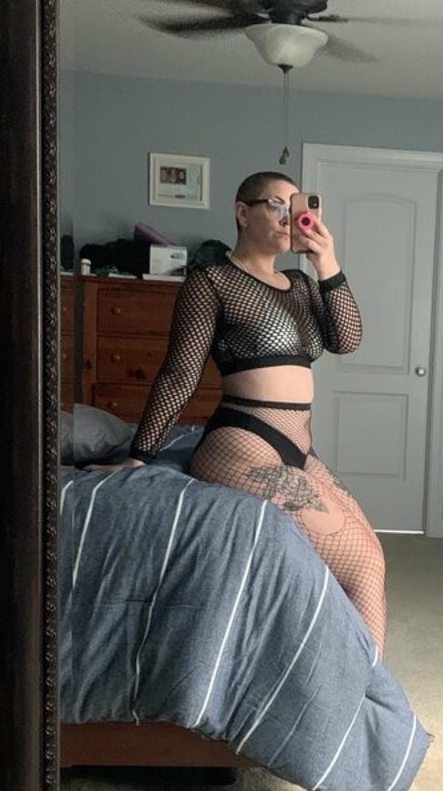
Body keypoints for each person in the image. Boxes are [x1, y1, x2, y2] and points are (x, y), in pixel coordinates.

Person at [98, 171, 387, 655]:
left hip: (299, 447)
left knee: (372, 557)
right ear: (241, 213)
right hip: (242, 441)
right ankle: (362, 691)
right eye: (276, 205)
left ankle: (362, 682)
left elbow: (347, 339)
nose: (290, 217)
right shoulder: (212, 281)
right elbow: (179, 375)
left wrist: (327, 263)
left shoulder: (301, 284)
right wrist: (139, 456)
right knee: (359, 566)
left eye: (296, 206)